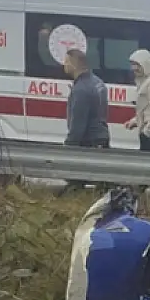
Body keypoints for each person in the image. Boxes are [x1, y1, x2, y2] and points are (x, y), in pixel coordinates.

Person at [60, 48, 109, 194]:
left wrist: (69, 145)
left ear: (74, 65)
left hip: (88, 141)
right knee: (101, 184)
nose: (64, 66)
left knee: (75, 186)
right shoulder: (98, 82)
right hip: (101, 137)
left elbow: (78, 124)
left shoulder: (81, 89)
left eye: (66, 62)